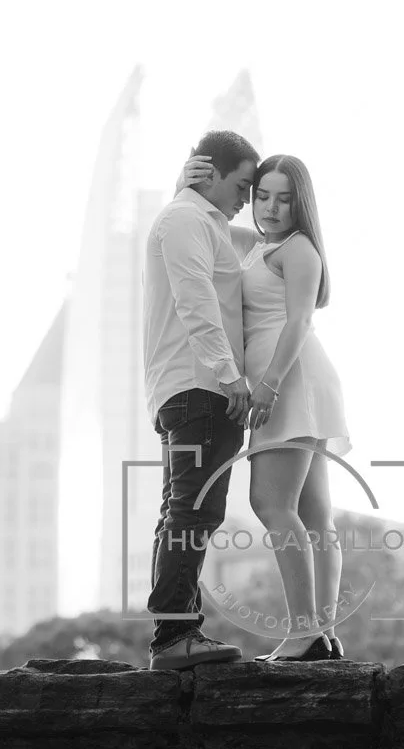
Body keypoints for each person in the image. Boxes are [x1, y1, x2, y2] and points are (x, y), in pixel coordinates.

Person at [176, 150, 350, 662]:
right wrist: (184, 182)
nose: (271, 208)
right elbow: (194, 223)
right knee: (315, 514)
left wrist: (269, 385)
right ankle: (323, 634)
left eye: (284, 198)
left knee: (272, 505)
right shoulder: (257, 246)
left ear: (302, 204)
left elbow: (298, 323)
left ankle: (304, 633)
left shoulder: (298, 250)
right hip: (296, 380)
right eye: (262, 196)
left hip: (292, 378)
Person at [143, 129, 260, 670]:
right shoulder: (187, 219)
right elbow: (196, 301)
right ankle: (173, 639)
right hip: (199, 389)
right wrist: (230, 375)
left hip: (192, 389)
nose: (247, 196)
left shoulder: (201, 219)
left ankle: (179, 634)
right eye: (242, 184)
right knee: (192, 512)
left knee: (187, 511)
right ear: (209, 173)